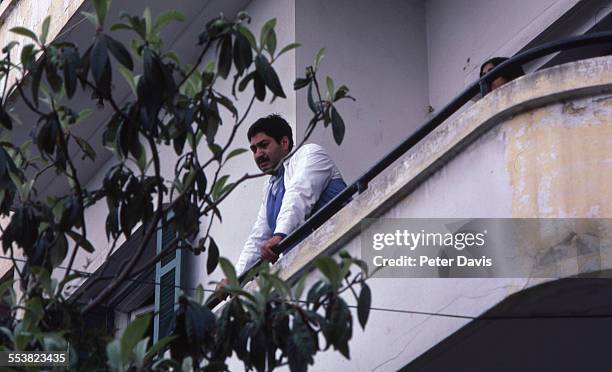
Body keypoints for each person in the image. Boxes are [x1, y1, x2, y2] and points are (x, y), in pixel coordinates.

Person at [233, 114, 347, 276]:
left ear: (284, 143)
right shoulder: (271, 186)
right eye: (254, 149)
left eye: (263, 145)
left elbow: (298, 195)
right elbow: (258, 235)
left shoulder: (310, 153)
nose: (258, 154)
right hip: (305, 265)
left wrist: (279, 236)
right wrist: (235, 277)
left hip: (340, 249)